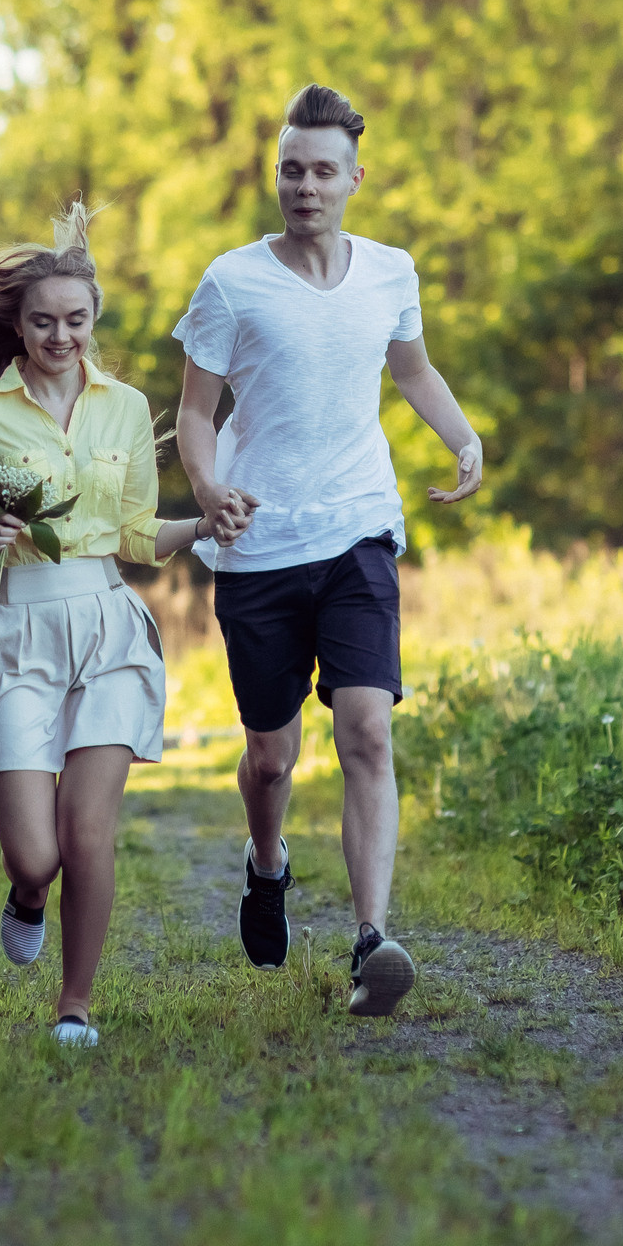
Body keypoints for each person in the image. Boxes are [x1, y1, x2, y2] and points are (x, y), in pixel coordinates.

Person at [173, 84, 484, 1017]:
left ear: (354, 177)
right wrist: (205, 490)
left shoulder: (391, 271)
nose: (304, 186)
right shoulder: (233, 280)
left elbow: (413, 368)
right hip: (259, 544)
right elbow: (194, 412)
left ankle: (369, 940)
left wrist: (464, 439)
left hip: (358, 528)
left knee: (368, 730)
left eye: (321, 171)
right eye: (289, 169)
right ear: (278, 175)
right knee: (270, 756)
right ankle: (266, 861)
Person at [0, 205, 248, 1048]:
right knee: (37, 854)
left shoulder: (128, 408)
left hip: (106, 631)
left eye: (76, 319)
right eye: (43, 322)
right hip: (17, 635)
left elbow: (137, 534)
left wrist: (201, 527)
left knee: (87, 829)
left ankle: (75, 1005)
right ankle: (26, 896)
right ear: (17, 326)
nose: (61, 335)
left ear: (94, 318)